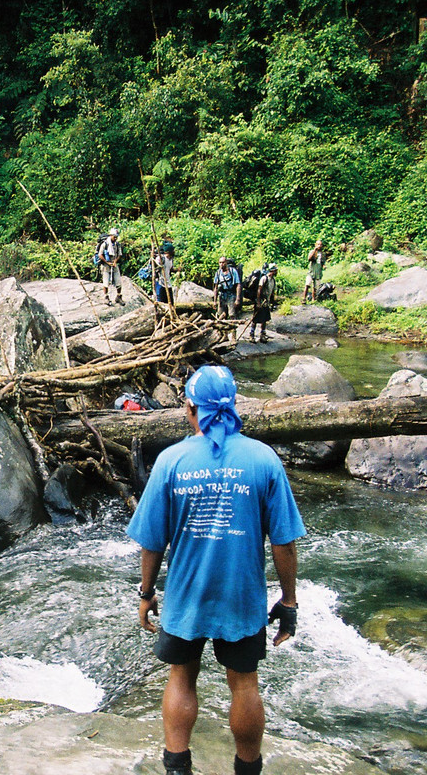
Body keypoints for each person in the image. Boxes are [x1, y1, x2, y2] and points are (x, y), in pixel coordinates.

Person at [127, 365, 305, 775]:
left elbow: (153, 541)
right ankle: (247, 769)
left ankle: (177, 767)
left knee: (181, 675)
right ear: (233, 407)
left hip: (187, 593)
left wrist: (147, 592)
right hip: (241, 595)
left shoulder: (171, 462)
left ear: (191, 409)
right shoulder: (263, 459)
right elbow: (284, 541)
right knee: (244, 682)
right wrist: (289, 601)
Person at [249, 264, 277, 343]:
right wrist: (258, 302)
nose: (276, 272)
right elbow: (259, 290)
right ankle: (251, 334)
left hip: (266, 303)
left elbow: (272, 293)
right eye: (275, 270)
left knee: (264, 319)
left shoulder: (273, 280)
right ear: (272, 271)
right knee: (255, 319)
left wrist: (272, 303)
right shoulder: (264, 278)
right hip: (260, 301)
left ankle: (262, 335)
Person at [99, 227, 124, 306]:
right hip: (106, 265)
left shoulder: (117, 245)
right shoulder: (105, 244)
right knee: (106, 282)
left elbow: (119, 254)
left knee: (118, 281)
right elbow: (100, 255)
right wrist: (107, 262)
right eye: (114, 236)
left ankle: (119, 296)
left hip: (114, 264)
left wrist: (115, 261)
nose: (115, 238)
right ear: (110, 235)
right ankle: (106, 297)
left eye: (116, 236)